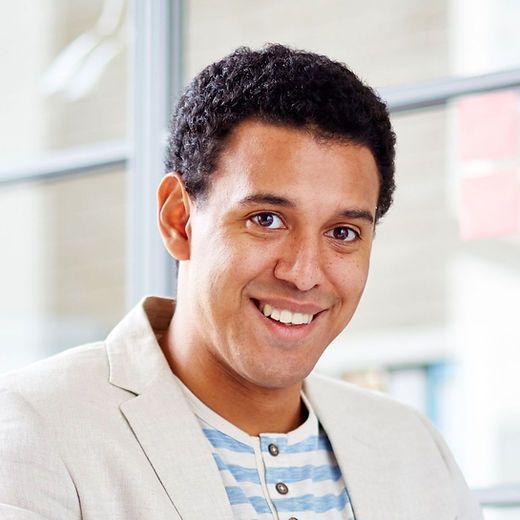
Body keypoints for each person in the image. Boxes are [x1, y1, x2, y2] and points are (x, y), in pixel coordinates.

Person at [0, 45, 482, 520]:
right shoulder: (36, 426)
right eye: (267, 219)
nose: (304, 272)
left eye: (342, 233)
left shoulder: (414, 447)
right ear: (178, 219)